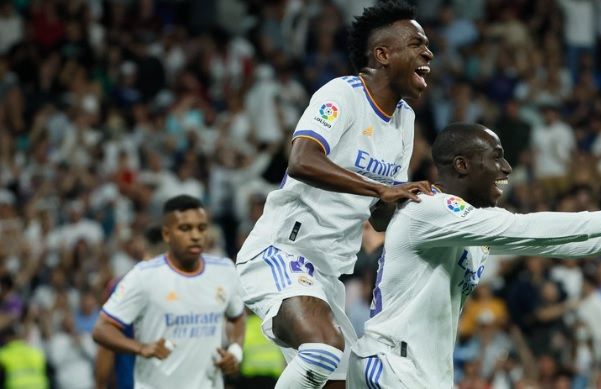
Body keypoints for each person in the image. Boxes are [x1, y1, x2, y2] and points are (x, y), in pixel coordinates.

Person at [346, 123, 601, 388]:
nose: (506, 170)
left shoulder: (472, 224)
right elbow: (526, 228)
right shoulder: (428, 208)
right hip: (392, 365)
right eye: (496, 158)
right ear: (462, 165)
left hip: (427, 373)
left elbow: (550, 244)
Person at [235, 1, 433, 387]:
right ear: (382, 54)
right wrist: (382, 188)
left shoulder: (405, 120)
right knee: (323, 349)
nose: (428, 53)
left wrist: (410, 203)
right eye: (416, 44)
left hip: (327, 274)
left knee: (342, 381)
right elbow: (302, 159)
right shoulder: (343, 94)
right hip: (281, 252)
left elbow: (379, 213)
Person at [92, 195, 244, 389]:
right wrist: (142, 348)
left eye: (201, 228)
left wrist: (235, 351)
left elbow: (237, 316)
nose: (195, 236)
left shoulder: (224, 270)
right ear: (167, 236)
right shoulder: (140, 278)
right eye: (185, 229)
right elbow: (103, 333)